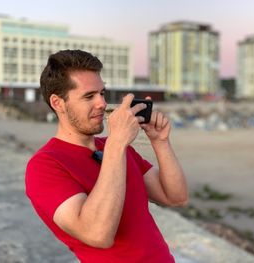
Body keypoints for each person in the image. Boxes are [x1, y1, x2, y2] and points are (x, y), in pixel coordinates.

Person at [25, 49, 188, 263]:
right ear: (58, 103)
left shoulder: (113, 148)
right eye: (88, 96)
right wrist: (117, 143)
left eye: (102, 93)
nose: (102, 103)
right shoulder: (44, 166)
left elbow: (175, 196)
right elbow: (97, 234)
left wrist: (160, 142)